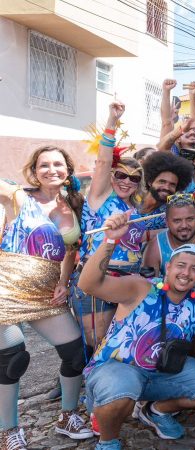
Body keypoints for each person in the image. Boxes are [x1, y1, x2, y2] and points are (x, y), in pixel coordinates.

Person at [78, 215, 195, 450]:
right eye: (181, 265)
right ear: (168, 267)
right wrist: (110, 240)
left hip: (161, 373)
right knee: (120, 394)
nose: (186, 273)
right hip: (119, 368)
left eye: (194, 269)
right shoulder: (140, 287)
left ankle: (155, 411)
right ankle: (108, 441)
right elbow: (88, 285)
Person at [0, 146, 93, 446]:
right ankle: (8, 431)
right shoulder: (19, 197)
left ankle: (68, 416)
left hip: (45, 297)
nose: (51, 170)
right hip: (7, 293)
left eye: (58, 164)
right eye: (44, 165)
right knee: (12, 360)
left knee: (75, 353)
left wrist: (64, 282)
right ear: (34, 171)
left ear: (68, 170)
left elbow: (70, 250)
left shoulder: (73, 204)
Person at [71, 102, 150, 356]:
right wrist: (112, 122)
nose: (127, 181)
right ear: (112, 177)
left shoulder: (136, 211)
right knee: (99, 342)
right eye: (121, 175)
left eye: (134, 178)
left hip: (127, 281)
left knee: (119, 342)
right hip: (98, 278)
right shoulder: (100, 197)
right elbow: (104, 163)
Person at [138, 151, 194, 227]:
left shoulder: (172, 212)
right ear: (150, 182)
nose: (166, 187)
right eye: (162, 182)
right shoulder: (133, 200)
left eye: (172, 184)